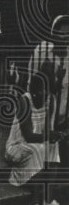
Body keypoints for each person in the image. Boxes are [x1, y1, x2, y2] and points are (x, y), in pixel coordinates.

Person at [5, 66, 68, 205]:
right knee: (39, 149)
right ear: (33, 91)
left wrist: (55, 136)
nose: (44, 96)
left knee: (52, 147)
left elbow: (46, 130)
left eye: (46, 92)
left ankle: (47, 198)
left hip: (39, 143)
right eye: (41, 93)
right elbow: (28, 135)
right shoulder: (24, 101)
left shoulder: (50, 100)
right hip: (18, 146)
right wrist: (49, 136)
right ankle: (34, 200)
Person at [27, 15, 69, 163]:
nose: (64, 38)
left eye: (67, 34)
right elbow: (32, 84)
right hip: (41, 118)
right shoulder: (42, 51)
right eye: (60, 33)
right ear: (52, 34)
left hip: (62, 120)